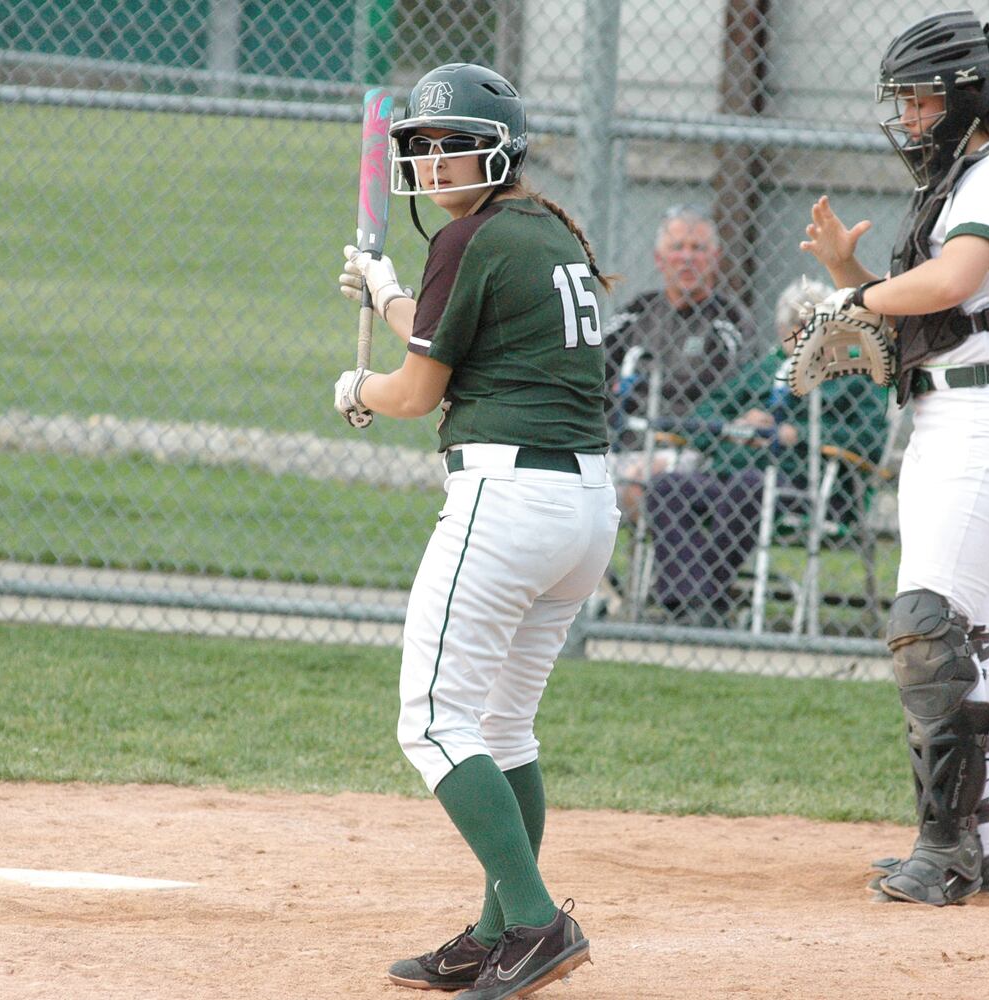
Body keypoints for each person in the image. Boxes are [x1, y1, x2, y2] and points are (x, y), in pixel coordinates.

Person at [333, 63, 618, 997]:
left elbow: (417, 391)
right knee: (502, 723)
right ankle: (498, 931)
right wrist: (384, 291)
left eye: (446, 143)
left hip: (508, 504)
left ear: (495, 149)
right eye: (418, 145)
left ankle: (536, 922)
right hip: (583, 509)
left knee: (430, 721)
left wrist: (357, 393)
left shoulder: (470, 237)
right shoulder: (533, 231)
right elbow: (451, 334)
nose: (428, 158)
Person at [799, 10, 989, 906]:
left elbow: (952, 284)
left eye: (917, 101)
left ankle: (943, 850)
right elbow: (932, 313)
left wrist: (860, 294)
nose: (908, 119)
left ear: (963, 99)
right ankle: (978, 851)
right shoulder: (959, 182)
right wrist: (850, 278)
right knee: (961, 636)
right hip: (956, 414)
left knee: (923, 625)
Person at [641, 278, 888, 627]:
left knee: (751, 486)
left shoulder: (854, 374)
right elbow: (704, 415)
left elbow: (869, 440)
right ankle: (686, 605)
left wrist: (796, 434)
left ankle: (700, 598)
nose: (802, 337)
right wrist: (740, 426)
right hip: (730, 475)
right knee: (666, 488)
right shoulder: (764, 371)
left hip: (809, 488)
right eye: (794, 328)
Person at [604, 205, 755, 519]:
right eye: (677, 248)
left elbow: (728, 394)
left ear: (714, 259)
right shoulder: (637, 311)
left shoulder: (729, 320)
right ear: (660, 260)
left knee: (635, 485)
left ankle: (643, 568)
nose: (687, 258)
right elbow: (596, 365)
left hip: (689, 447)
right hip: (620, 442)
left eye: (697, 249)